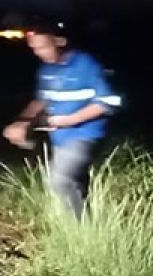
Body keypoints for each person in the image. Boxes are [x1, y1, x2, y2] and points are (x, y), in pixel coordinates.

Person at [2, 22, 121, 219]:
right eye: (34, 49)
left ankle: (80, 232)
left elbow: (108, 101)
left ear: (59, 41)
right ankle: (89, 227)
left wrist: (70, 120)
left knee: (60, 180)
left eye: (43, 47)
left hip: (85, 135)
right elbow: (41, 100)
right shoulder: (46, 70)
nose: (38, 53)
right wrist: (23, 122)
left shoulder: (86, 64)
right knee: (77, 186)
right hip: (60, 137)